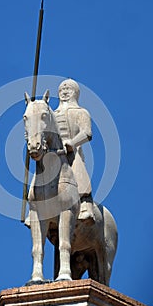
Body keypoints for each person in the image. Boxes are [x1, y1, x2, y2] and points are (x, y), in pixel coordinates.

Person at [55, 79, 95, 225]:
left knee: (78, 169)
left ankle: (86, 205)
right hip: (55, 153)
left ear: (75, 93)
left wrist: (73, 143)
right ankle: (35, 208)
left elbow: (87, 133)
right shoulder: (52, 114)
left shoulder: (81, 112)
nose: (64, 92)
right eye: (61, 90)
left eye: (68, 89)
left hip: (73, 151)